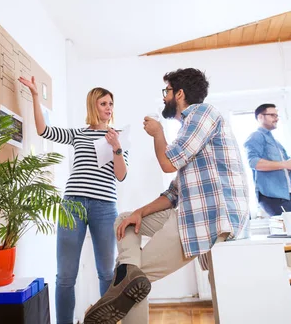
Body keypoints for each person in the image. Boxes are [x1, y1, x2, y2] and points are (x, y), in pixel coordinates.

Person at [83, 68, 249, 324]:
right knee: (125, 219)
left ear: (179, 93)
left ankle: (124, 279)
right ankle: (127, 272)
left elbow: (168, 163)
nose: (164, 97)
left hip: (207, 219)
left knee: (134, 282)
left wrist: (158, 133)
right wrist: (139, 213)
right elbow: (174, 192)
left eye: (167, 91)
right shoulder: (190, 131)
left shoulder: (204, 113)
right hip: (190, 214)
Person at [18, 76, 128, 324]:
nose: (108, 108)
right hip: (73, 205)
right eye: (103, 103)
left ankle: (106, 321)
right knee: (66, 276)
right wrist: (36, 96)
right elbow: (43, 130)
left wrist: (116, 147)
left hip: (104, 207)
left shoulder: (118, 137)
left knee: (106, 273)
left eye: (110, 103)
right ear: (93, 106)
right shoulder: (79, 134)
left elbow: (121, 175)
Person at [243, 104, 291, 217]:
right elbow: (253, 163)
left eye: (277, 115)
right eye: (272, 115)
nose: (276, 118)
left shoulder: (276, 142)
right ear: (260, 117)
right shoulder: (256, 136)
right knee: (289, 230)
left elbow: (290, 168)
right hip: (273, 196)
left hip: (287, 196)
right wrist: (284, 164)